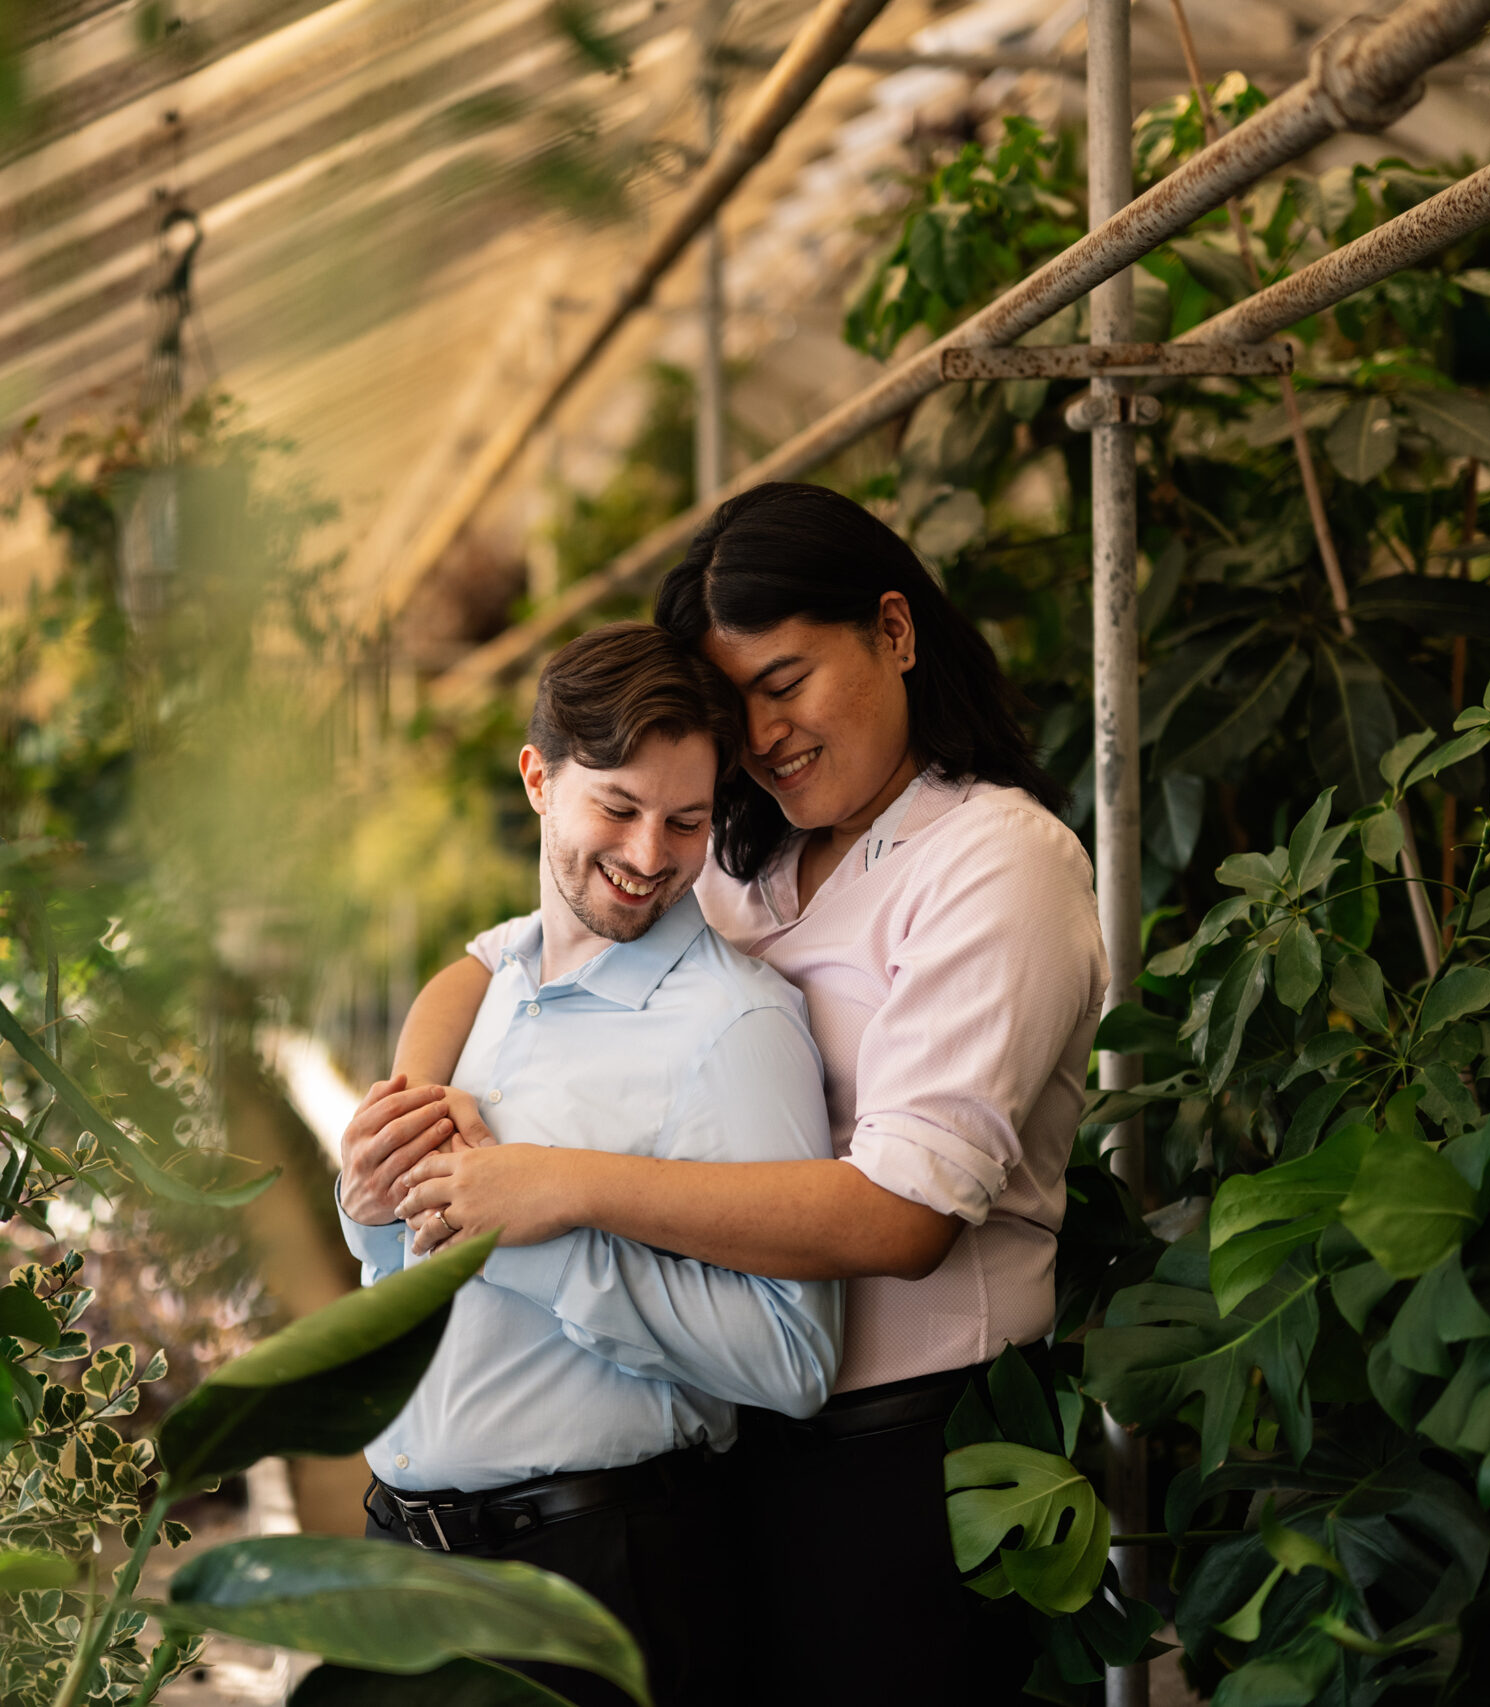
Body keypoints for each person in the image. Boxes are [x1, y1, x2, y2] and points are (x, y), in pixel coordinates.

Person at [352, 482, 1107, 1698]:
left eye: (786, 681)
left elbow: (900, 1218)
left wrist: (557, 1190)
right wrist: (415, 1111)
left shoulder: (993, 861)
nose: (763, 736)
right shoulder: (735, 861)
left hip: (907, 1460)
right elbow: (489, 959)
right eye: (736, 704)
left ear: (895, 634)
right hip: (737, 1453)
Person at [337, 619, 843, 1707]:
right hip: (398, 1560)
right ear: (538, 780)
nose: (649, 854)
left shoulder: (734, 1027)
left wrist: (543, 1240)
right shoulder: (494, 975)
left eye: (687, 820)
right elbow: (396, 1255)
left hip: (591, 1573)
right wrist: (368, 1199)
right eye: (616, 807)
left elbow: (796, 1360)